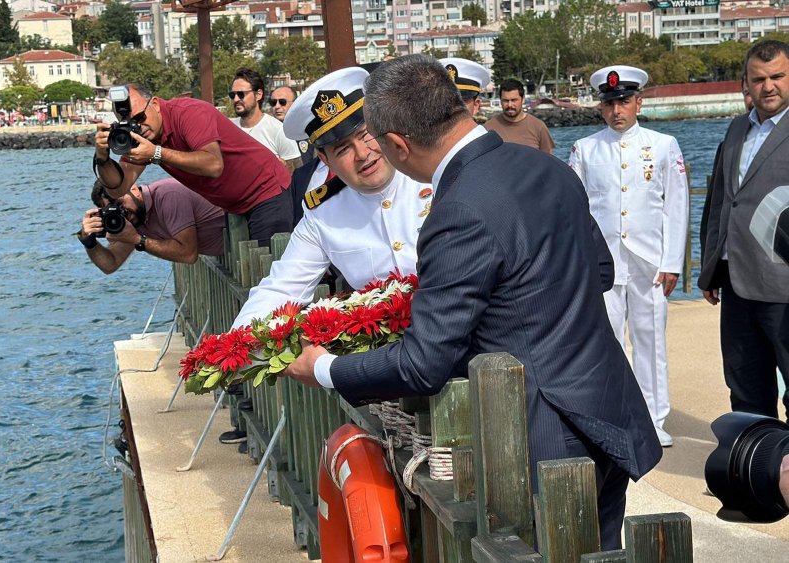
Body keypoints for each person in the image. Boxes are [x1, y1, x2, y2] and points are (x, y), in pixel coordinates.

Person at [285, 54, 661, 550]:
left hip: (536, 431)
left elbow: (423, 364)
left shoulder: (457, 209)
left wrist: (326, 368)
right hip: (606, 406)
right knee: (603, 550)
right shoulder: (543, 166)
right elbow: (600, 270)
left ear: (398, 143)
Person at [219, 67, 434, 444]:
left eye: (366, 135)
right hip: (393, 382)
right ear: (323, 159)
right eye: (342, 149)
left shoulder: (432, 172)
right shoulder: (323, 214)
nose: (363, 154)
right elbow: (280, 287)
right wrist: (233, 349)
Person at [568, 65, 689, 448]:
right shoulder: (585, 149)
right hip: (603, 262)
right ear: (600, 108)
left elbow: (677, 206)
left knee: (651, 339)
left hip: (649, 260)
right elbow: (576, 208)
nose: (616, 109)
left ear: (639, 102)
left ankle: (654, 419)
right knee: (608, 340)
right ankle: (616, 415)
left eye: (623, 101)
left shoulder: (664, 145)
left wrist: (672, 261)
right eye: (609, 103)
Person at [698, 39, 789, 420]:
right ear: (745, 84)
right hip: (736, 284)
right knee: (745, 386)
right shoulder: (736, 129)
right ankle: (760, 472)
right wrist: (709, 269)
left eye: (778, 77)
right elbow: (721, 200)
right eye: (759, 79)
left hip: (783, 284)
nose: (768, 86)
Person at [93, 83, 293, 249]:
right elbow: (118, 187)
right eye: (128, 123)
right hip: (236, 205)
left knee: (271, 274)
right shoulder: (142, 137)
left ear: (155, 104)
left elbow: (214, 165)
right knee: (255, 275)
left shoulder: (189, 112)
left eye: (139, 118)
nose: (137, 127)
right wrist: (103, 157)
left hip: (267, 191)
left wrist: (156, 153)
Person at [78, 178, 226, 271]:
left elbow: (188, 254)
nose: (122, 212)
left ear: (134, 189)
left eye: (120, 203)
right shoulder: (133, 221)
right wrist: (89, 242)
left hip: (243, 236)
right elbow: (110, 264)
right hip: (231, 254)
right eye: (113, 210)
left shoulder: (167, 195)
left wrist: (137, 240)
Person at [230, 68, 302, 170]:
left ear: (258, 94)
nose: (236, 99)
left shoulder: (278, 130)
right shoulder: (229, 128)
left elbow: (297, 174)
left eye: (241, 94)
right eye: (233, 95)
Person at [484, 78, 555, 154]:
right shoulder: (488, 129)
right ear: (500, 100)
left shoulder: (538, 127)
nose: (510, 105)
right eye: (506, 100)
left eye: (514, 100)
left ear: (523, 99)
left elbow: (549, 161)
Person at [270, 85, 316, 165]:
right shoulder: (268, 131)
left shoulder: (308, 129)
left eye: (282, 102)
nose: (277, 106)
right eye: (273, 103)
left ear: (294, 103)